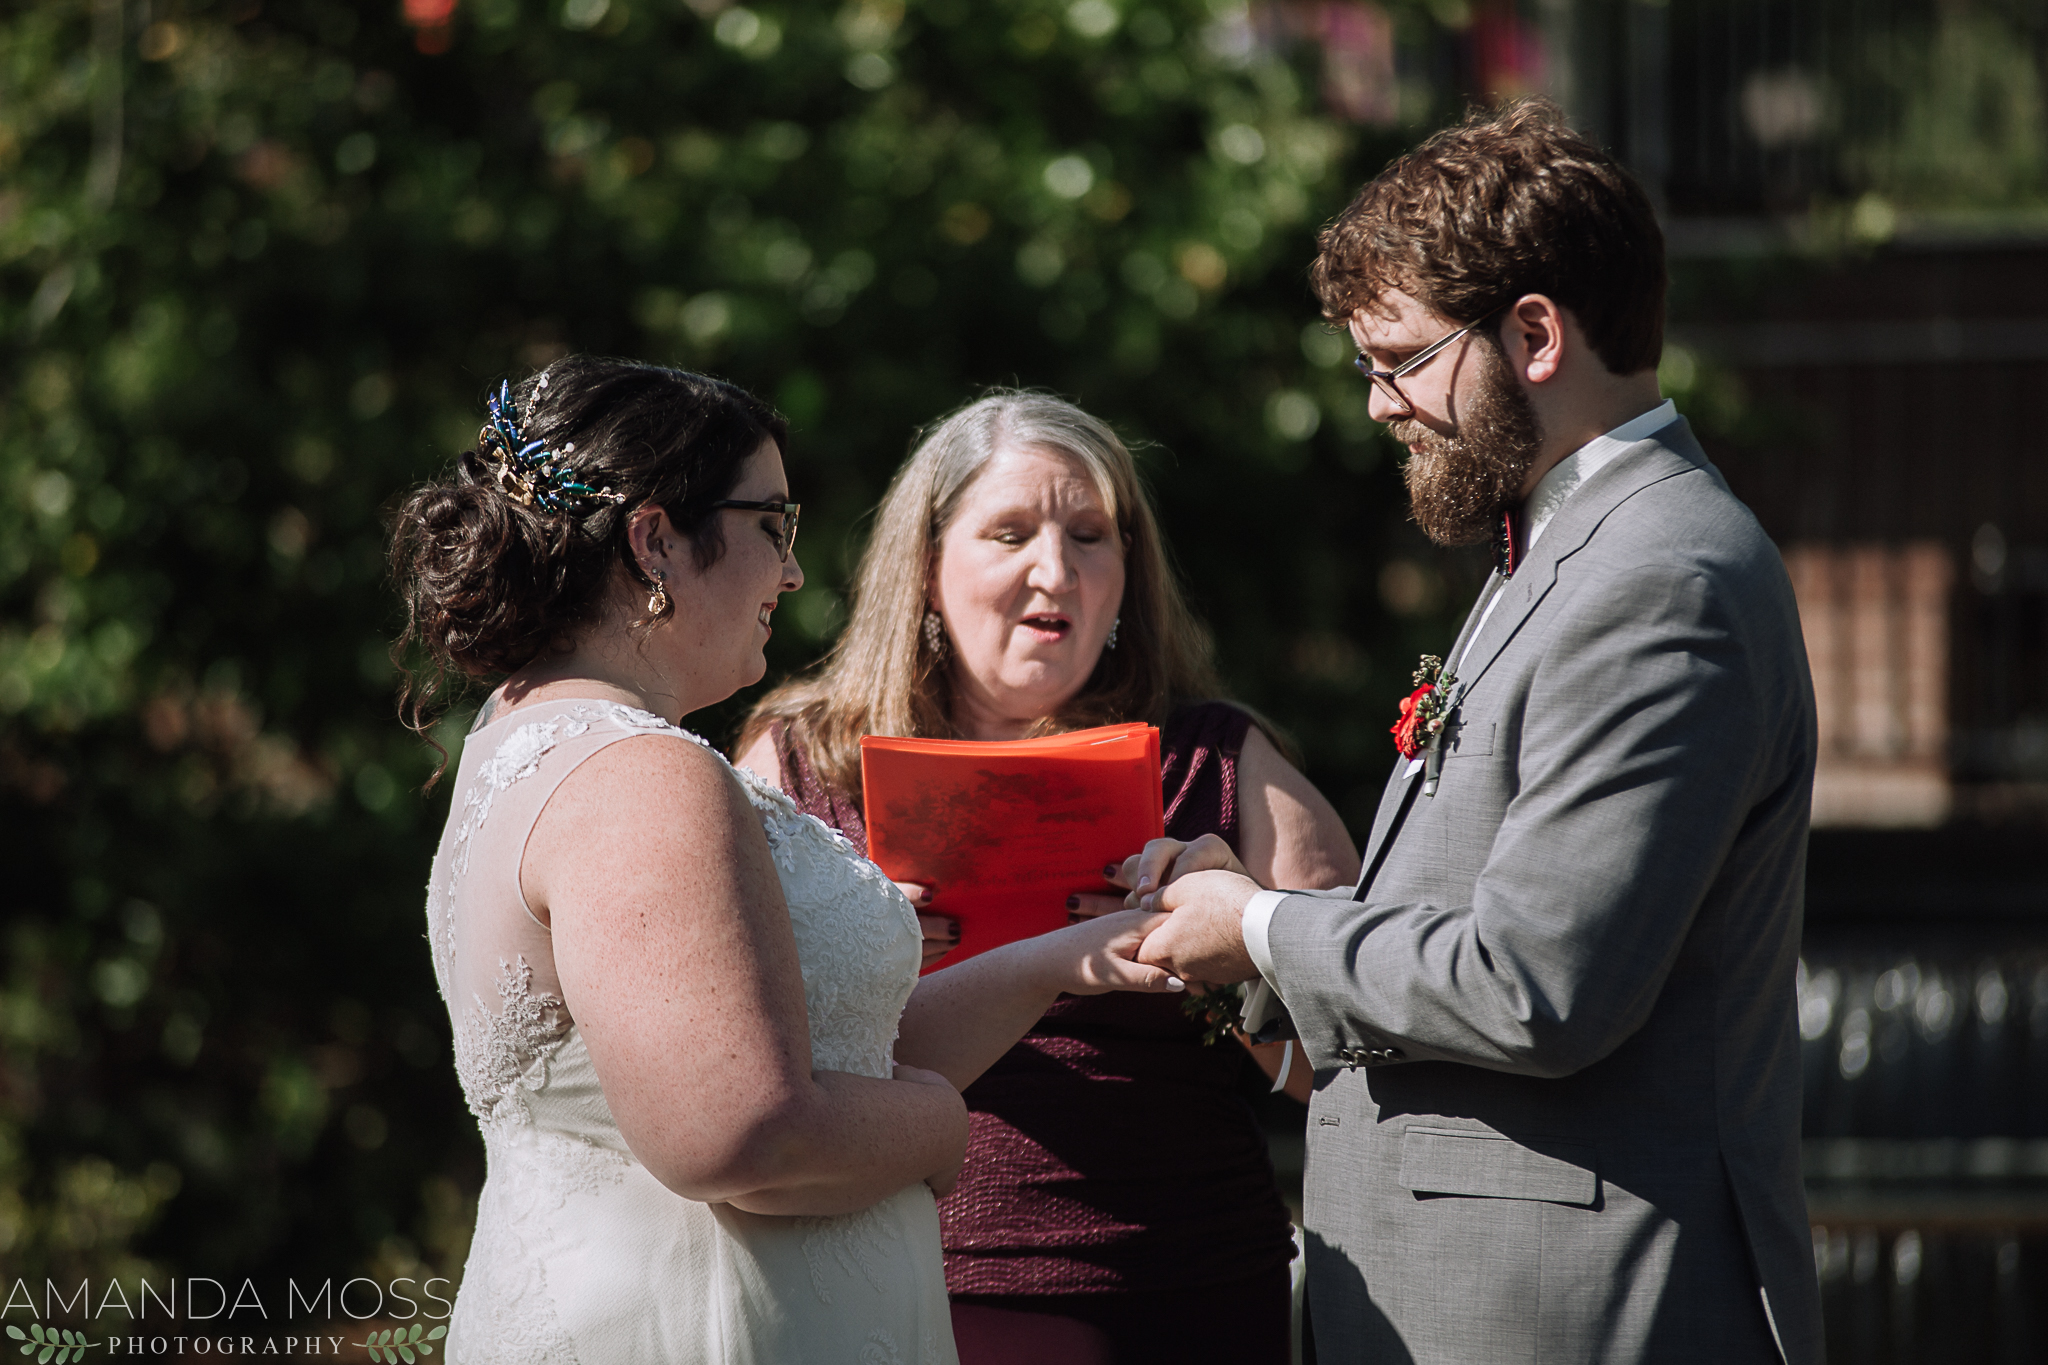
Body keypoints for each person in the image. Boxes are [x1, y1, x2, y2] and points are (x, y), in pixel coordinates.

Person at [1126, 101, 1825, 1364]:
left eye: (1395, 358)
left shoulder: (1660, 574)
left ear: (1536, 334)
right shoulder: (1564, 548)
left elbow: (1536, 987)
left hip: (1576, 1309)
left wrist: (1265, 927)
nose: (1380, 404)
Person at [388, 358, 1183, 1365]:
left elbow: (820, 1057)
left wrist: (1062, 957)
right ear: (655, 541)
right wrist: (941, 1129)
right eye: (771, 526)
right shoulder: (642, 774)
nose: (793, 572)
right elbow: (743, 1137)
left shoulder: (525, 731)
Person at [735, 391, 1360, 1364]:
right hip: (893, 1280)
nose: (1054, 570)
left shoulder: (1218, 767)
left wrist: (1243, 950)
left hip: (1185, 1284)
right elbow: (726, 1047)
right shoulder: (798, 762)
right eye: (1009, 532)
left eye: (1088, 535)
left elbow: (1361, 1061)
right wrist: (848, 960)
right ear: (927, 564)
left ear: (1127, 574)